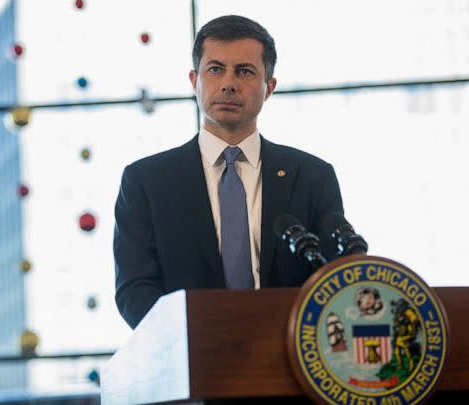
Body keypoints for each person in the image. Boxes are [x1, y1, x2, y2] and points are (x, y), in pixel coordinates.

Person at [113, 15, 344, 329]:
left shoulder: (312, 177)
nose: (228, 83)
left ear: (269, 87)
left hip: (291, 358)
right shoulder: (145, 182)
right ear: (195, 81)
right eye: (215, 69)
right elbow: (134, 290)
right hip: (192, 362)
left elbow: (335, 280)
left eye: (245, 71)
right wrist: (195, 344)